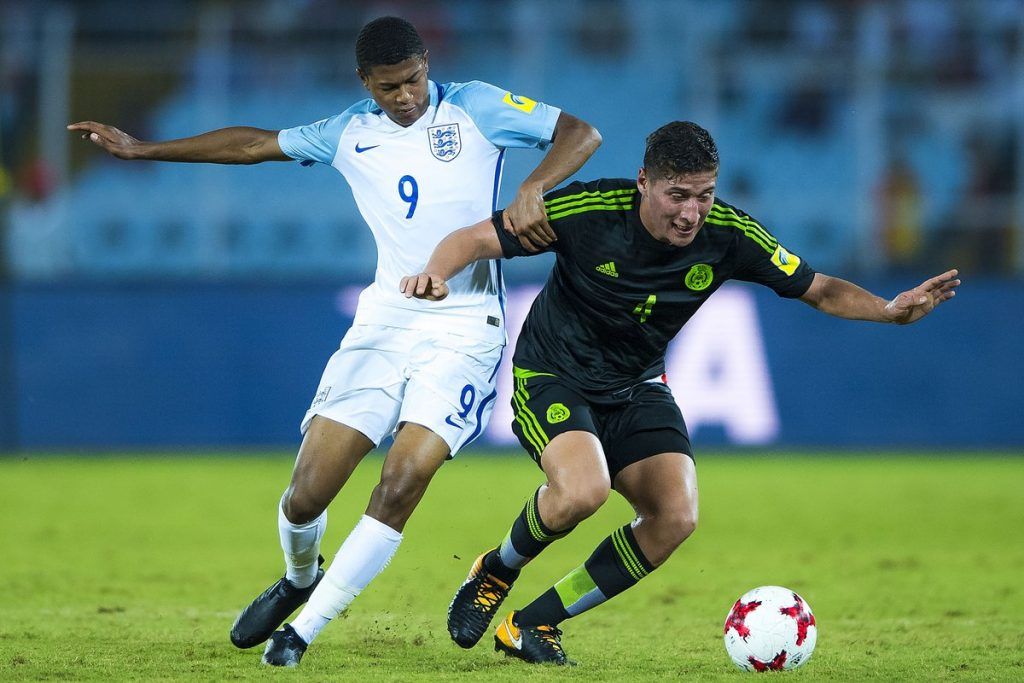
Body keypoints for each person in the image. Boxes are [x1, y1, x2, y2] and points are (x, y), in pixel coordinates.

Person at [69, 16, 601, 667]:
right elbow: (253, 145)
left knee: (404, 475)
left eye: (411, 81)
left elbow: (582, 131)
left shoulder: (477, 106)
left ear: (426, 63)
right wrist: (143, 149)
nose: (403, 96)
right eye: (387, 88)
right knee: (307, 494)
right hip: (384, 321)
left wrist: (533, 183)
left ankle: (302, 632)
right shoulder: (349, 132)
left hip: (466, 328)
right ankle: (299, 578)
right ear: (364, 83)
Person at [400, 120, 959, 665]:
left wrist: (889, 311)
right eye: (677, 195)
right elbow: (472, 238)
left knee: (675, 517)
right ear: (643, 181)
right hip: (552, 374)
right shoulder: (589, 211)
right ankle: (497, 570)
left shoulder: (730, 235)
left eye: (705, 195)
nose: (692, 212)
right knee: (582, 493)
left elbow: (819, 288)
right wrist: (436, 274)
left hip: (637, 383)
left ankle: (530, 624)